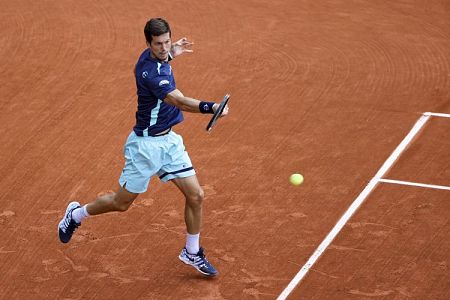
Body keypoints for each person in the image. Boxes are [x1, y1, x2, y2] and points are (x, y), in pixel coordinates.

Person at [58, 17, 228, 277]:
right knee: (121, 202)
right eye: (158, 44)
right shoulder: (150, 73)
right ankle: (77, 214)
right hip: (145, 147)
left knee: (196, 195)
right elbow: (178, 101)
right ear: (148, 43)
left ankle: (191, 252)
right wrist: (211, 107)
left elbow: (164, 63)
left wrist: (172, 54)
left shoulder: (156, 59)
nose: (164, 47)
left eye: (167, 41)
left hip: (169, 143)